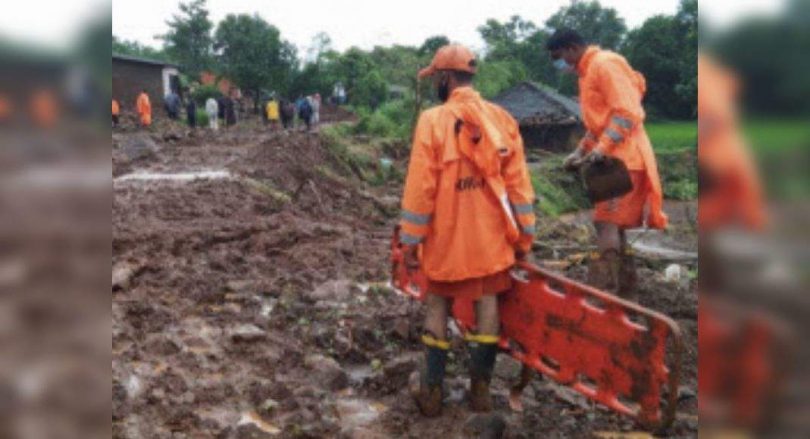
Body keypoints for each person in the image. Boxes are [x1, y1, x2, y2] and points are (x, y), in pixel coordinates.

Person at [402, 44, 536, 417]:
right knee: (487, 301)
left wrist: (411, 241)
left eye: (436, 80)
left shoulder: (432, 121)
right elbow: (520, 188)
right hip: (491, 240)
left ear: (445, 79)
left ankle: (431, 393)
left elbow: (420, 187)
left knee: (438, 303)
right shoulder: (502, 119)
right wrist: (525, 237)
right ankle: (480, 391)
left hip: (446, 240)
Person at [546, 29, 667, 299]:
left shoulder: (605, 64)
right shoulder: (587, 72)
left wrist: (600, 150)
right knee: (615, 228)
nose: (559, 63)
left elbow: (627, 113)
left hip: (623, 161)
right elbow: (599, 124)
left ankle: (605, 295)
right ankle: (625, 293)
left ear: (572, 48)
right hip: (613, 158)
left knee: (605, 224)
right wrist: (579, 152)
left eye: (559, 56)